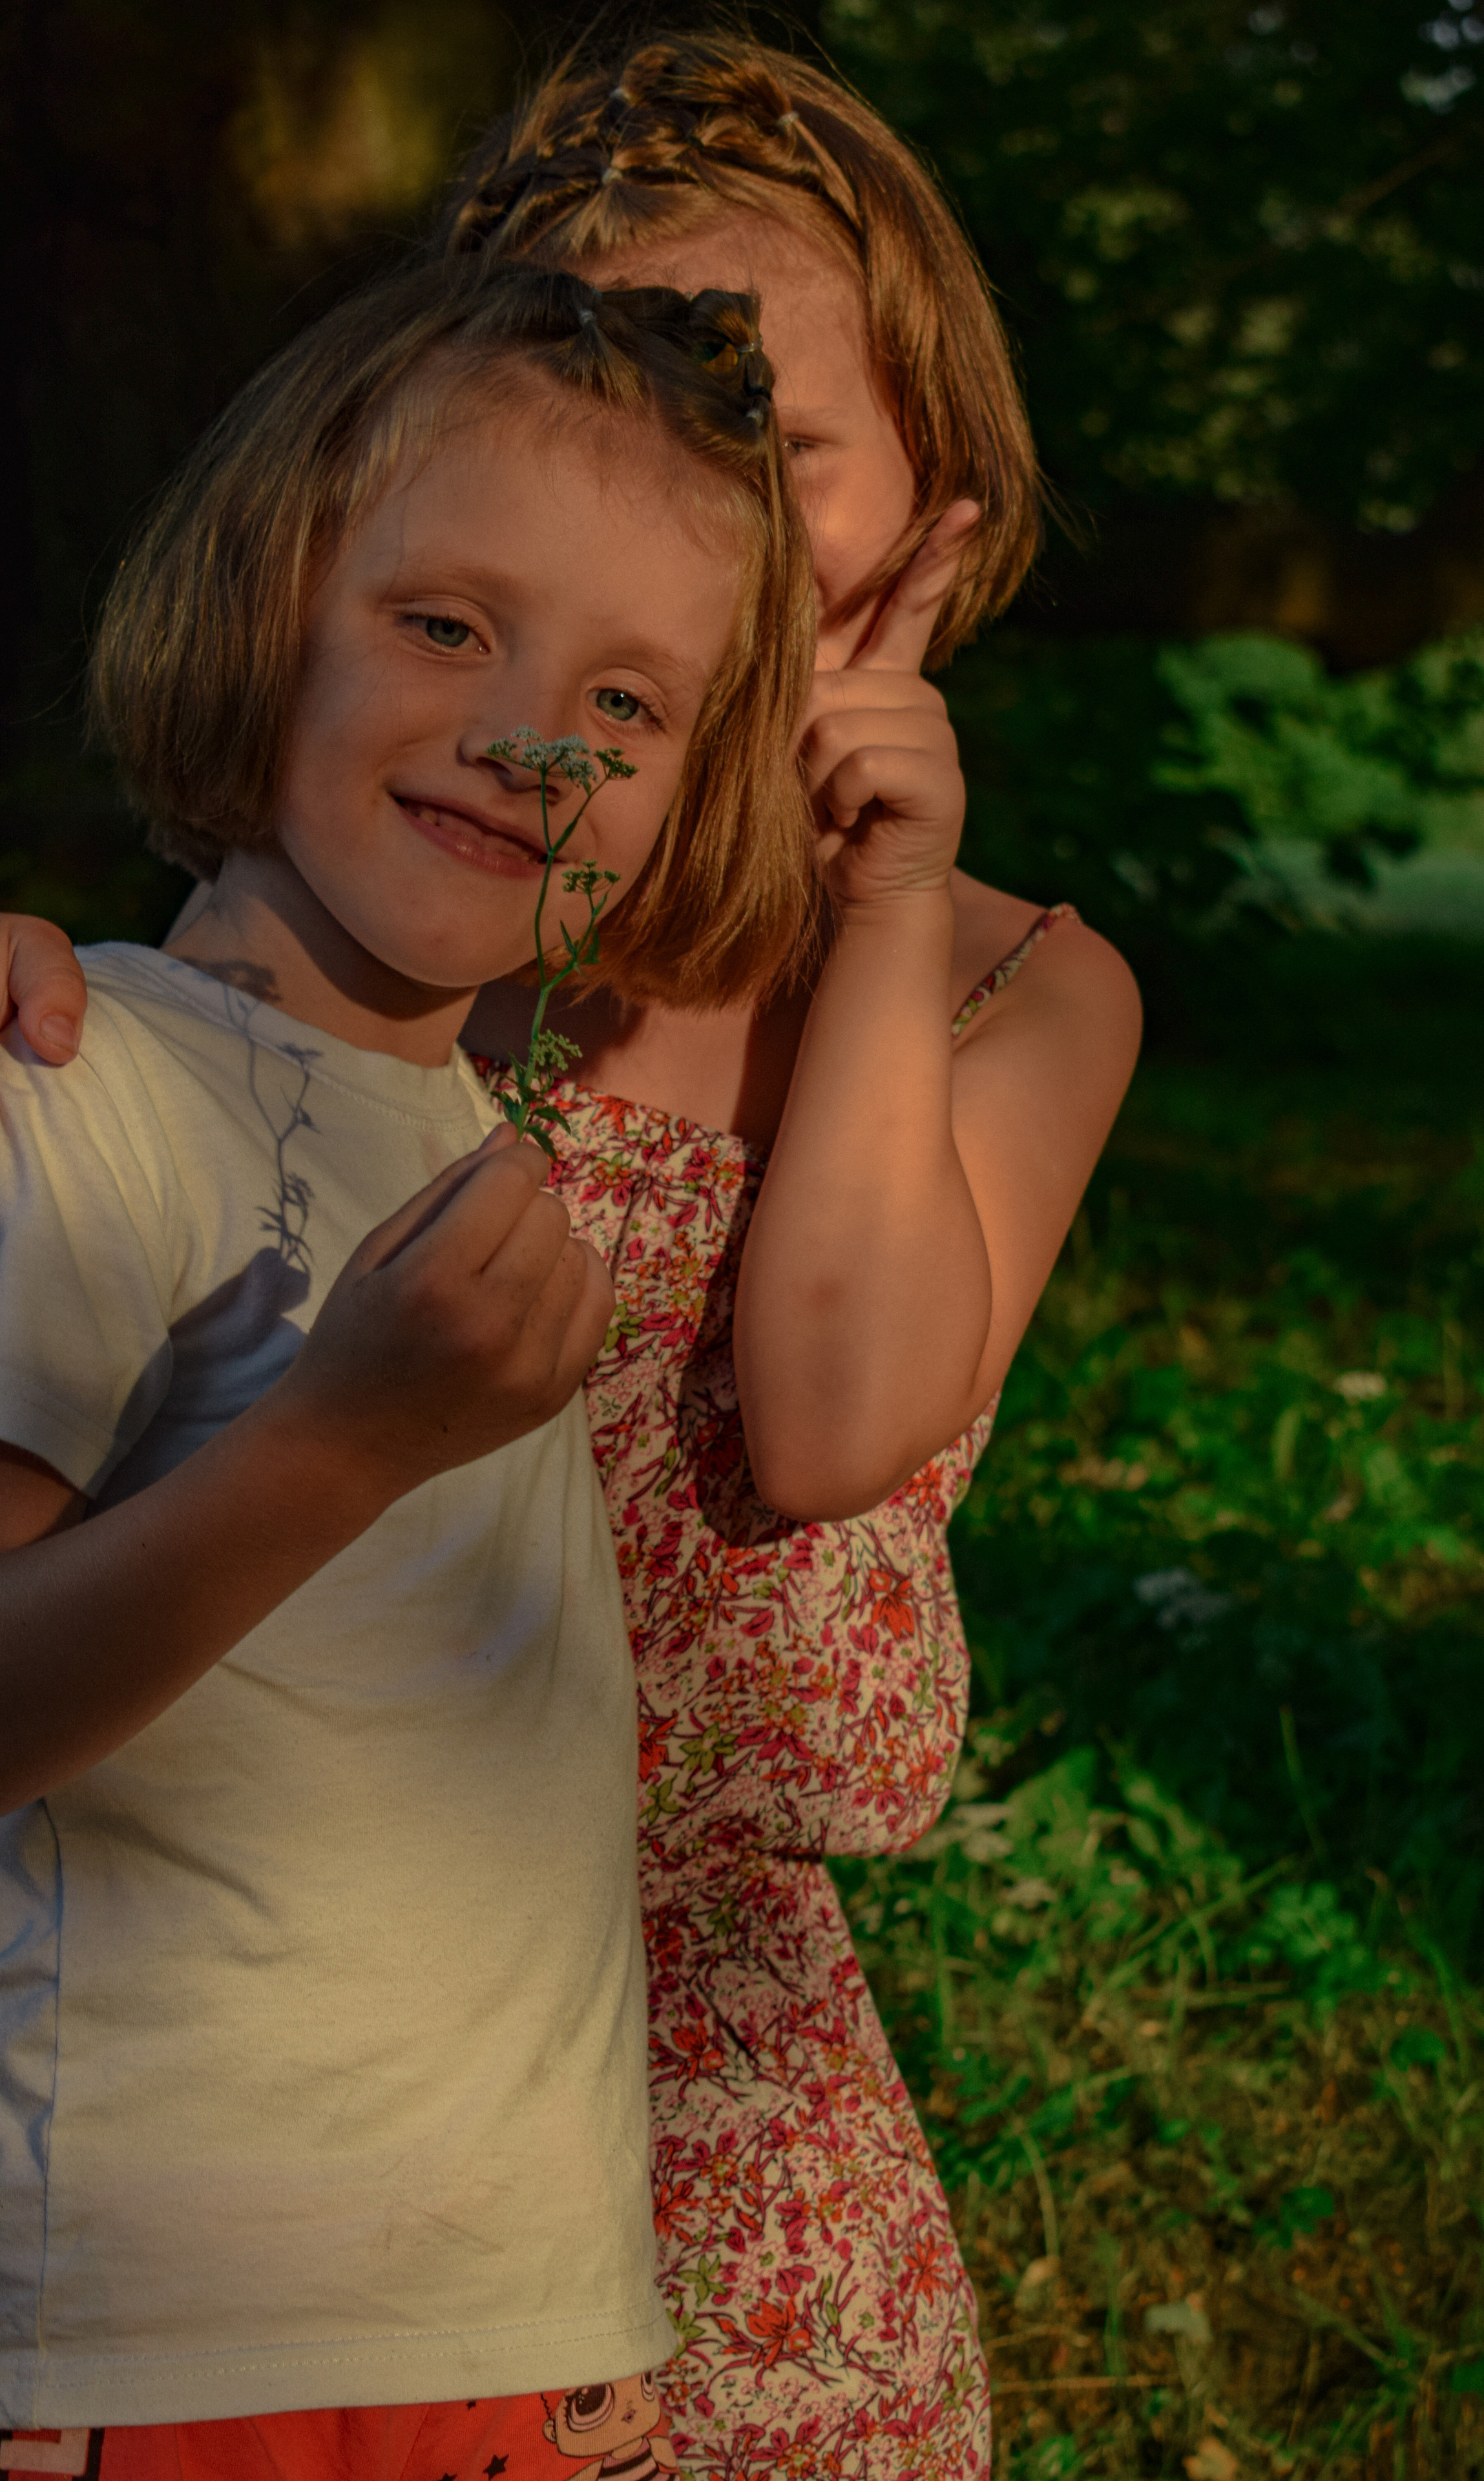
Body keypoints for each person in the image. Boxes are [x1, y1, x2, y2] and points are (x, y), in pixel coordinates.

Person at [0, 32, 1146, 2480]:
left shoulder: (1000, 985)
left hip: (683, 2143)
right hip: (229, 2131)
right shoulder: (424, 905)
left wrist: (876, 904)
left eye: (762, 427)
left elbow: (833, 1427)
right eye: (601, 370)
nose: (668, 470)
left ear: (936, 518)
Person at [0, 260, 812, 2481]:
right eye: (447, 626)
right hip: (159, 2343)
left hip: (501, 2332)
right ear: (260, 606)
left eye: (629, 703)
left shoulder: (473, 1139)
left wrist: (573, 2301)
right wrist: (342, 1442)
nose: (531, 739)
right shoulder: (76, 1080)